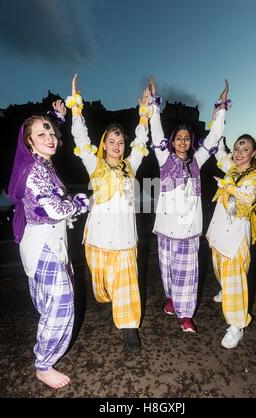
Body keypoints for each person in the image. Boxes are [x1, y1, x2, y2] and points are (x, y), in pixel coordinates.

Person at [66, 74, 151, 353]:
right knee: (103, 287)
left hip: (125, 241)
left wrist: (144, 114)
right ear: (104, 144)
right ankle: (110, 301)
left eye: (121, 142)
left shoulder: (131, 165)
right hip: (98, 240)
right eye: (113, 141)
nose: (117, 146)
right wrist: (75, 104)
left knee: (127, 287)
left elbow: (141, 141)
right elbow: (80, 135)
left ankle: (130, 329)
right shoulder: (95, 164)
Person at [8, 114, 89, 388]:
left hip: (49, 244)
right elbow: (53, 209)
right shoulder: (34, 170)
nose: (50, 137)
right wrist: (78, 204)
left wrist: (56, 118)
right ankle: (42, 364)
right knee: (61, 303)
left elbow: (52, 203)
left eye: (52, 132)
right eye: (41, 134)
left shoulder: (44, 166)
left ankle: (45, 355)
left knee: (50, 303)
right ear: (29, 143)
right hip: (43, 244)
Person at [148, 78, 230, 333]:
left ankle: (185, 316)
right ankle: (171, 300)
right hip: (166, 230)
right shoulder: (164, 159)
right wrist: (152, 104)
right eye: (179, 138)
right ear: (172, 141)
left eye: (187, 138)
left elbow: (215, 135)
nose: (183, 141)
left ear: (191, 142)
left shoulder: (197, 161)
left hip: (189, 233)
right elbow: (156, 131)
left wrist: (221, 108)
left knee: (188, 276)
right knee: (168, 273)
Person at [206, 134, 256, 348]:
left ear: (253, 153)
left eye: (245, 150)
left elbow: (249, 197)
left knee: (235, 277)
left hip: (235, 236)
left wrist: (228, 186)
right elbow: (220, 152)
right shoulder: (232, 167)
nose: (239, 153)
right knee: (218, 266)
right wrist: (220, 114)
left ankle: (236, 327)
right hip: (218, 232)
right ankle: (226, 287)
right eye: (237, 149)